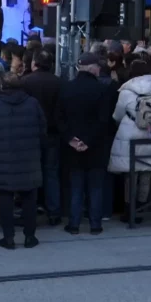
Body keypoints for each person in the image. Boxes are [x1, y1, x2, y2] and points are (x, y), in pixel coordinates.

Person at [0, 73, 46, 250]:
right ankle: (30, 237)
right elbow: (42, 131)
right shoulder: (33, 103)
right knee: (29, 199)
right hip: (29, 159)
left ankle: (8, 238)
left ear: (1, 86)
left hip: (1, 159)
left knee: (5, 199)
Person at [57, 53, 111, 235]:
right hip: (96, 147)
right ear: (92, 68)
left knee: (76, 187)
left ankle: (74, 224)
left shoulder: (66, 88)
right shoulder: (102, 90)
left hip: (73, 147)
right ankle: (95, 224)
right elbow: (104, 121)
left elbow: (59, 118)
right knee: (95, 187)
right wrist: (89, 141)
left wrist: (71, 139)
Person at [109, 60, 151, 224]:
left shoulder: (126, 91)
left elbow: (117, 115)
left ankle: (130, 210)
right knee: (146, 173)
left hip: (131, 134)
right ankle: (141, 208)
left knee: (131, 175)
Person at [20, 51, 63, 225]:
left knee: (29, 173)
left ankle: (30, 210)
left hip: (31, 134)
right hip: (53, 133)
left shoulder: (26, 82)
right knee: (51, 173)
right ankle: (54, 212)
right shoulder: (59, 83)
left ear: (34, 64)